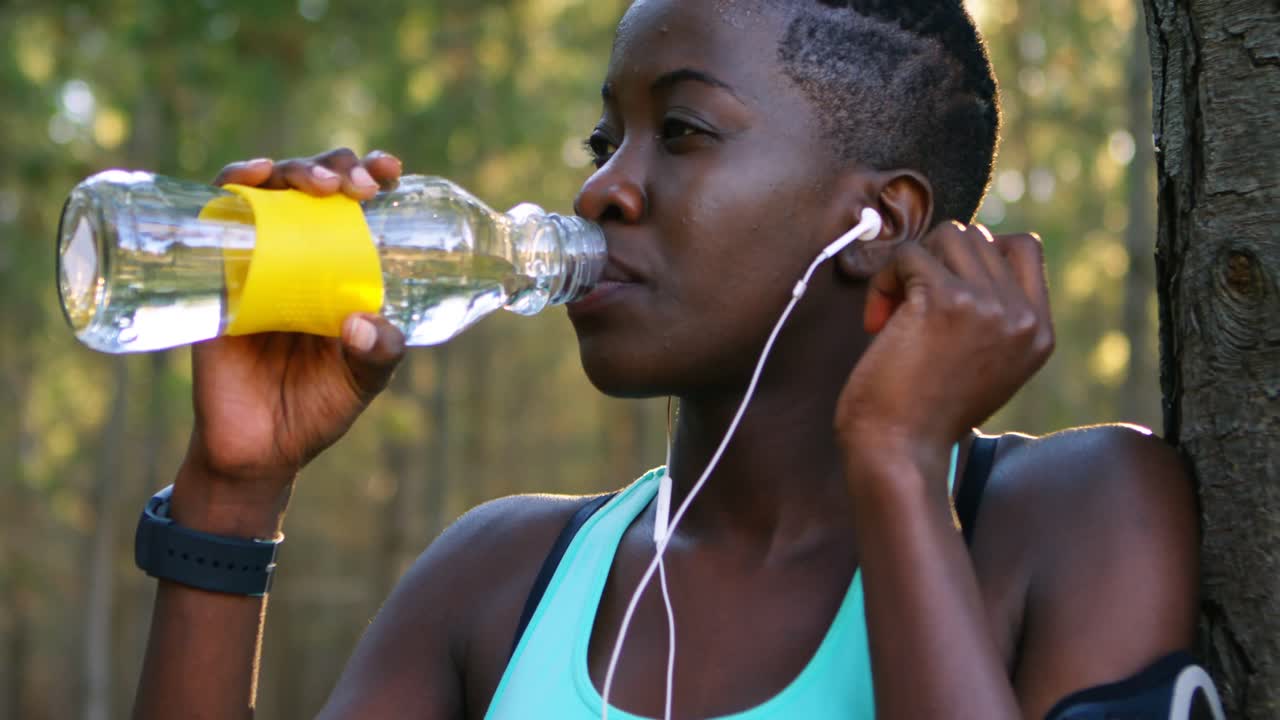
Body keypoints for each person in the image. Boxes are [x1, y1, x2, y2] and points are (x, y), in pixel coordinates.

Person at [131, 1, 1211, 719]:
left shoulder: (1074, 517)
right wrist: (232, 494)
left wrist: (891, 460)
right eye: (603, 142)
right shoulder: (498, 580)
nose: (601, 190)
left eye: (682, 131)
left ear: (879, 221)